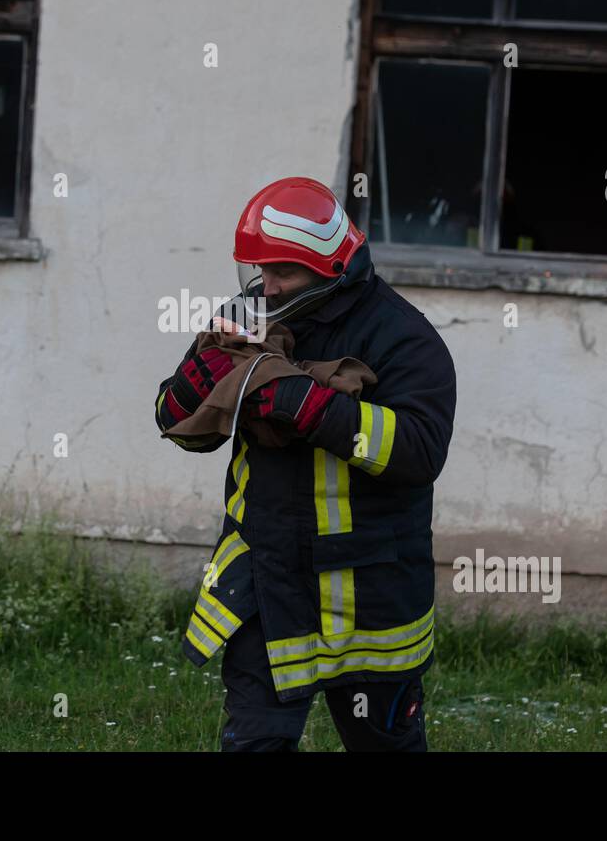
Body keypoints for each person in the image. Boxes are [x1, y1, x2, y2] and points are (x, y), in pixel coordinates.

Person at [154, 176, 457, 751]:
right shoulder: (247, 316)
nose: (264, 287)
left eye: (281, 273)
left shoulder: (404, 338)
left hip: (373, 598)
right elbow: (182, 429)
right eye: (256, 271)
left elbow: (420, 452)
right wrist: (195, 384)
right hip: (267, 586)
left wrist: (314, 409)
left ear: (329, 267)